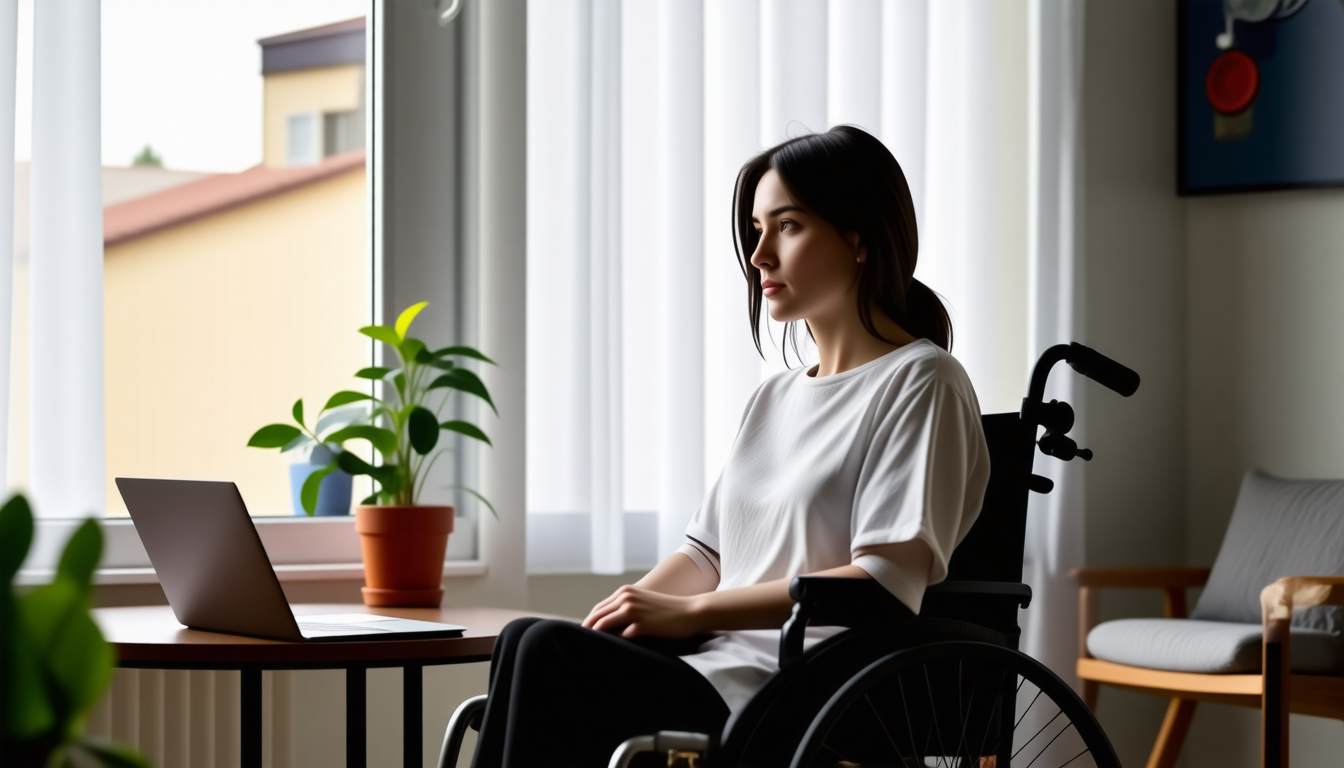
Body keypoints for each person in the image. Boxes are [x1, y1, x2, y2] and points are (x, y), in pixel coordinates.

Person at [470, 125, 990, 768]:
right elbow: (706, 552)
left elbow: (887, 582)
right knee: (530, 638)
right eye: (756, 230)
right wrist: (626, 613)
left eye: (787, 226)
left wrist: (689, 612)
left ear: (857, 238)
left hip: (797, 689)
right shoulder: (774, 398)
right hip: (714, 661)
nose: (758, 255)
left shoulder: (921, 380)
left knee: (545, 651)